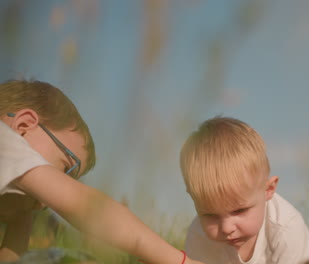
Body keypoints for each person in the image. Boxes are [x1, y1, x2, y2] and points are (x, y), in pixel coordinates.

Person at [0, 79, 203, 264]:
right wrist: (180, 261)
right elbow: (87, 208)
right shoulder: (5, 140)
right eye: (65, 169)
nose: (47, 203)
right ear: (23, 125)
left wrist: (23, 212)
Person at [179, 116, 309, 264]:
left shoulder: (287, 229)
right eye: (210, 215)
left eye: (239, 211)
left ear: (268, 190)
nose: (226, 228)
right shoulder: (199, 235)